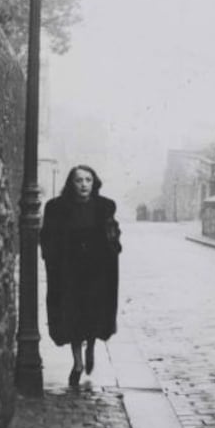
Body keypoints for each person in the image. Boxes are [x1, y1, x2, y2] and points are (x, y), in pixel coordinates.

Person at [40, 165, 122, 386]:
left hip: (97, 271)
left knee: (93, 314)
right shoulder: (56, 208)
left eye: (88, 179)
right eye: (79, 180)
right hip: (70, 272)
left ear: (94, 182)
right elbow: (47, 238)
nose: (84, 184)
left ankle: (91, 347)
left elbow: (113, 237)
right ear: (71, 183)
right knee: (73, 317)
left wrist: (112, 243)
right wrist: (53, 260)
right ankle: (77, 362)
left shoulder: (105, 207)